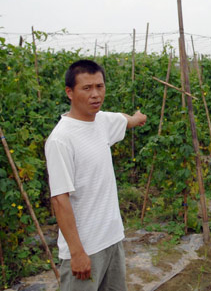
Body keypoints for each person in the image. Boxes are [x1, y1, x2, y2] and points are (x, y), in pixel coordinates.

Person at [45, 59, 147, 291]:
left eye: (99, 87)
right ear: (69, 92)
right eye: (87, 88)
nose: (95, 95)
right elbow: (60, 200)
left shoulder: (101, 121)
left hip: (112, 239)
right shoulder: (61, 139)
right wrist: (77, 252)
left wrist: (138, 118)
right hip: (85, 248)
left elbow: (124, 120)